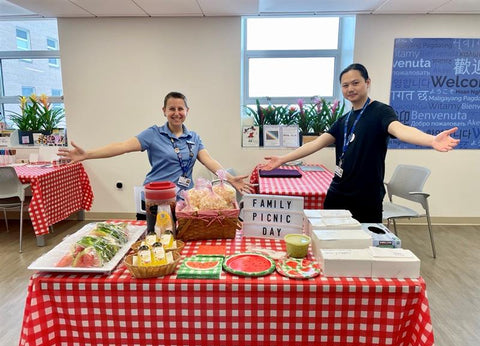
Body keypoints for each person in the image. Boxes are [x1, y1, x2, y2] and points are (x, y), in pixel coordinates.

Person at [261, 63, 460, 223]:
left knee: (363, 247)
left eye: (355, 83)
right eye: (345, 85)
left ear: (367, 82)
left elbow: (400, 129)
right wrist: (282, 160)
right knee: (330, 241)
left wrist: (431, 140)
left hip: (366, 196)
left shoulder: (380, 111)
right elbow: (315, 144)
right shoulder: (344, 119)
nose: (350, 89)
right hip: (337, 193)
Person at [58, 91, 254, 218]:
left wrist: (228, 178)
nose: (176, 113)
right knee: (157, 245)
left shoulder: (194, 138)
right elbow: (122, 146)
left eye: (180, 108)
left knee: (184, 244)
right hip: (157, 198)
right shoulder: (153, 134)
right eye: (172, 109)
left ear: (187, 111)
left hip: (186, 201)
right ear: (164, 111)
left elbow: (208, 160)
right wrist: (87, 154)